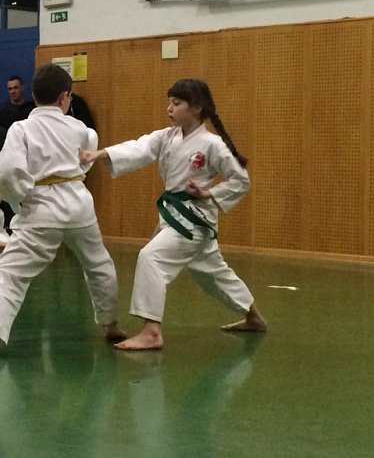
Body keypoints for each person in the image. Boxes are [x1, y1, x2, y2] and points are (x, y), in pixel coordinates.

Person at [0, 63, 124, 357]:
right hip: (79, 206)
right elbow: (87, 154)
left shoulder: (21, 128)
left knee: (8, 273)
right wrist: (71, 177)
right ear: (64, 97)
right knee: (99, 265)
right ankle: (110, 325)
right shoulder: (80, 129)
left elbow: (6, 172)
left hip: (41, 209)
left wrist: (20, 201)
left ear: (34, 96)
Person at [80, 78, 268, 351]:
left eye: (176, 103)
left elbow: (241, 180)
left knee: (151, 257)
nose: (169, 108)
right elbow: (139, 147)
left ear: (197, 107)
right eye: (169, 102)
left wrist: (208, 193)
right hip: (175, 217)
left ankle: (151, 332)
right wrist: (101, 154)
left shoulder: (212, 144)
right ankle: (254, 318)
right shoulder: (168, 136)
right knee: (213, 272)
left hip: (193, 220)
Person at [0, 75, 35, 170]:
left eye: (15, 88)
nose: (13, 91)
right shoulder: (2, 108)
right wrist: (11, 134)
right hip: (5, 147)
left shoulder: (30, 107)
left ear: (22, 88)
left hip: (27, 147)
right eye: (10, 89)